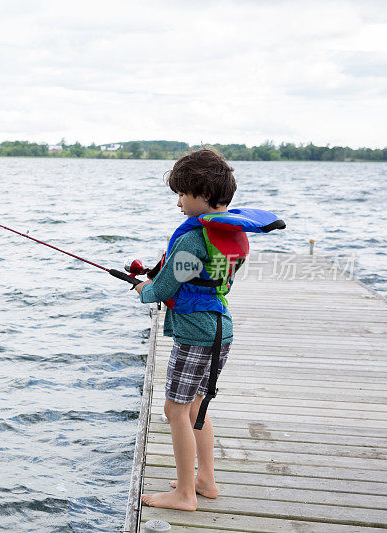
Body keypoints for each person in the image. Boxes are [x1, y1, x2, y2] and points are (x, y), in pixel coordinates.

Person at [134, 148, 248, 511]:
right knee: (198, 406)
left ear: (206, 195)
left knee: (174, 409)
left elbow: (163, 289)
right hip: (220, 331)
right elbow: (204, 280)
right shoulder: (230, 235)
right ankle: (205, 481)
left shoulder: (190, 240)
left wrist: (142, 289)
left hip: (196, 336)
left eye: (183, 194)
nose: (179, 202)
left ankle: (184, 494)